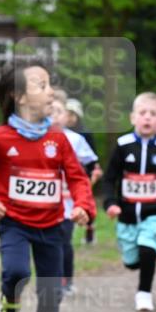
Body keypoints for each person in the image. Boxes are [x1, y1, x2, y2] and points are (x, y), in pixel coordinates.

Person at [0, 62, 95, 312]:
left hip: (53, 225)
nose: (50, 92)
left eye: (49, 84)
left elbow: (77, 177)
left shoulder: (58, 139)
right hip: (14, 223)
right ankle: (9, 301)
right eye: (42, 85)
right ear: (20, 97)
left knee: (52, 287)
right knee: (16, 272)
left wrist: (82, 205)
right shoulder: (0, 138)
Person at [104, 92, 156, 312]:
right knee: (132, 262)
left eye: (153, 114)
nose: (147, 118)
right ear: (132, 118)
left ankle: (144, 293)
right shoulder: (122, 145)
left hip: (154, 213)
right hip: (127, 214)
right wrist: (110, 203)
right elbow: (110, 179)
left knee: (148, 249)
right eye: (143, 113)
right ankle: (138, 261)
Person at [50, 92, 99, 295]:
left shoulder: (76, 139)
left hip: (69, 203)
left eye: (59, 112)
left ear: (67, 116)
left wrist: (82, 181)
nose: (54, 116)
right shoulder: (37, 138)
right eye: (50, 111)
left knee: (64, 240)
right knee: (50, 242)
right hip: (46, 202)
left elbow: (91, 163)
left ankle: (67, 280)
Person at [64, 97, 101, 245]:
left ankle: (89, 226)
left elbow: (91, 156)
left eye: (73, 115)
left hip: (82, 172)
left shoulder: (84, 134)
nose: (71, 118)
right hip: (64, 173)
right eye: (68, 114)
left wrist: (94, 171)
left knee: (86, 200)